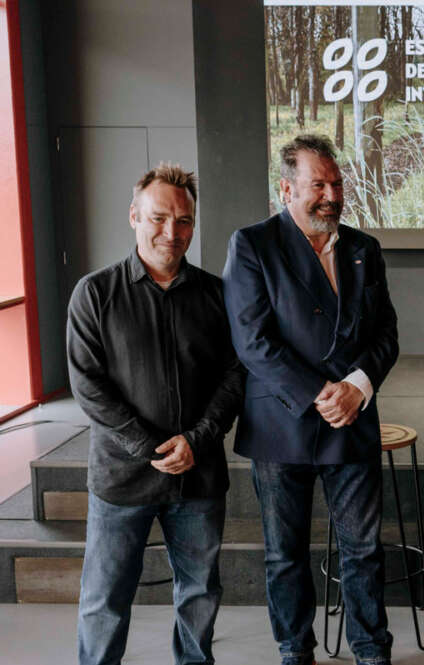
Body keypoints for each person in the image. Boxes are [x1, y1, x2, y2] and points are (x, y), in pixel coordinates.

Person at [222, 134, 398, 665]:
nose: (331, 194)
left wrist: (358, 388)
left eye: (336, 183)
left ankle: (371, 651)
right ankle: (295, 651)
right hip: (282, 426)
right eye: (317, 184)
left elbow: (386, 334)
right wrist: (321, 392)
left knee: (364, 550)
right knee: (284, 556)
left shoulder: (365, 248)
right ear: (286, 188)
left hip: (353, 421)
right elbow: (252, 341)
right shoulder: (252, 244)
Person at [68, 163, 244, 665]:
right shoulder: (95, 294)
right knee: (105, 602)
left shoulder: (218, 295)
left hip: (199, 476)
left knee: (199, 595)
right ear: (133, 216)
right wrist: (148, 449)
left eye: (184, 220)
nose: (172, 231)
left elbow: (235, 377)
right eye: (159, 218)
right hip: (122, 479)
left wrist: (199, 439)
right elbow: (88, 385)